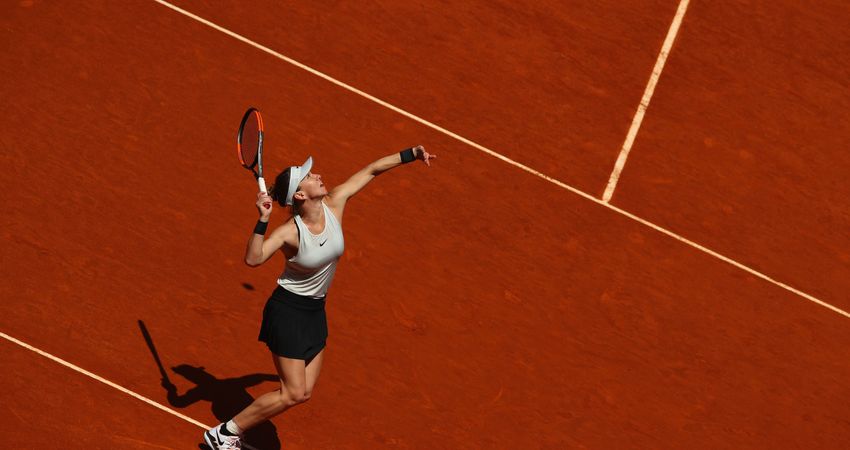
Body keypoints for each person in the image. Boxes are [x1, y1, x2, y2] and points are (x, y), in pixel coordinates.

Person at [204, 145, 436, 449]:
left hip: (315, 311)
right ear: (300, 196)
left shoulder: (335, 203)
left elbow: (371, 169)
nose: (318, 175)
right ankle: (224, 434)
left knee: (304, 392)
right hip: (287, 312)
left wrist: (411, 154)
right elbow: (253, 258)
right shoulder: (290, 232)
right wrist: (262, 219)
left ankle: (232, 431)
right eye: (309, 177)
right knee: (293, 393)